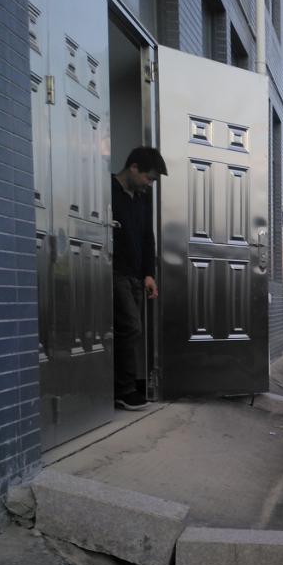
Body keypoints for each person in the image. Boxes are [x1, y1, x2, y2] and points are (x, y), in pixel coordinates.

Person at [112, 147, 166, 411]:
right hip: (115, 271)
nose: (150, 184)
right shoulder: (108, 190)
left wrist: (148, 274)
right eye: (149, 178)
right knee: (131, 327)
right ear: (133, 168)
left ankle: (119, 388)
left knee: (127, 330)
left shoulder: (142, 198)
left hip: (135, 275)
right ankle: (125, 390)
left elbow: (147, 238)